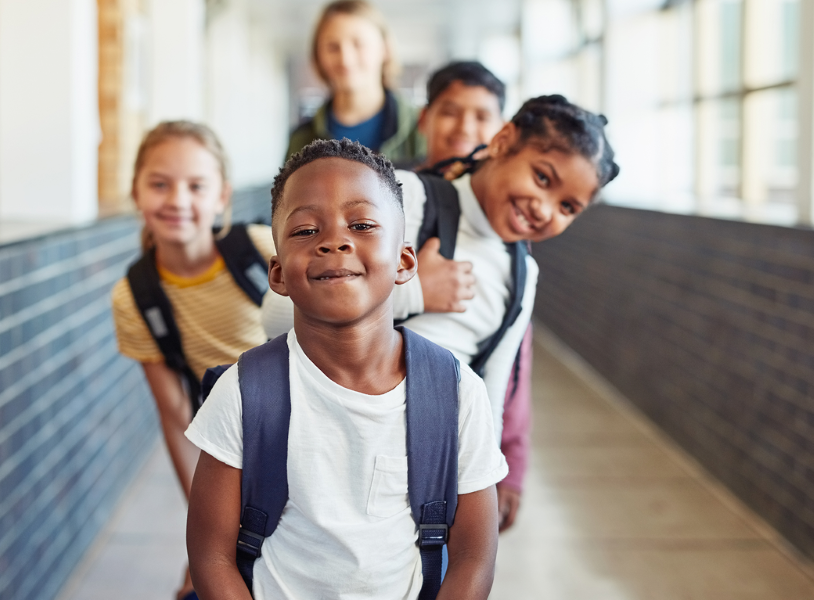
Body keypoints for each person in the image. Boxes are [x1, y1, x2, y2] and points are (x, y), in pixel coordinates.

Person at [262, 95, 619, 533]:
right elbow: (277, 316)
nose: (544, 208)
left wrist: (485, 489)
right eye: (542, 177)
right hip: (320, 450)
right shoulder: (404, 198)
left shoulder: (523, 275)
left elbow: (490, 392)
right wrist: (416, 292)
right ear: (503, 141)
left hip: (422, 478)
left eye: (567, 207)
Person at [186, 139, 506, 599]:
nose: (334, 240)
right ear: (277, 274)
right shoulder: (245, 391)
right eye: (304, 231)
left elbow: (475, 556)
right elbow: (210, 556)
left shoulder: (455, 393)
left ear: (403, 261)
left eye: (361, 224)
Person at [110, 121, 275, 600]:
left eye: (196, 186)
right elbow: (177, 416)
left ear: (221, 196)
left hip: (307, 427)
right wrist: (205, 527)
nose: (177, 200)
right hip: (230, 450)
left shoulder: (262, 250)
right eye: (159, 184)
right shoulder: (135, 297)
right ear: (136, 192)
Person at [415, 60, 530, 531]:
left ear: (501, 132)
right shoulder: (390, 195)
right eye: (450, 110)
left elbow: (513, 356)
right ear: (424, 119)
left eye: (481, 115)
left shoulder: (507, 226)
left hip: (462, 440)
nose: (465, 126)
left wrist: (511, 461)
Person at [285, 0, 425, 166]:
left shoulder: (422, 127)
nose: (345, 59)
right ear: (318, 55)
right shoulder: (302, 138)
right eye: (332, 47)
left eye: (358, 44)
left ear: (384, 48)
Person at [417, 60, 506, 171]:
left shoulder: (505, 188)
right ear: (423, 119)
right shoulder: (395, 181)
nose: (465, 129)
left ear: (503, 132)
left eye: (482, 117)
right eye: (450, 113)